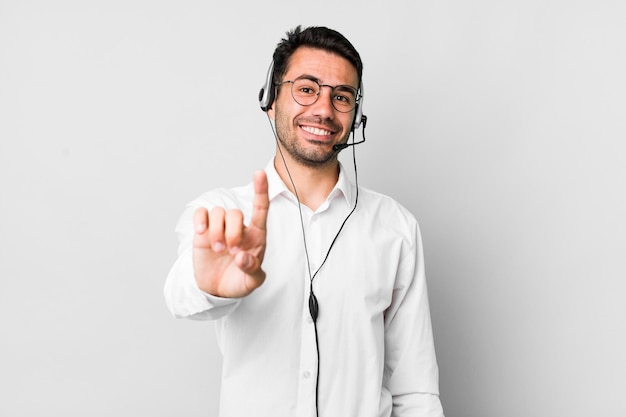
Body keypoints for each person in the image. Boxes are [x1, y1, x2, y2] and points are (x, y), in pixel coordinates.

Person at [164, 25, 444, 417]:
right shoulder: (222, 214)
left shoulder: (395, 228)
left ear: (355, 115)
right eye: (307, 89)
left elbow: (415, 390)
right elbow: (181, 297)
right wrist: (211, 287)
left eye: (341, 96)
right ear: (270, 100)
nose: (324, 110)